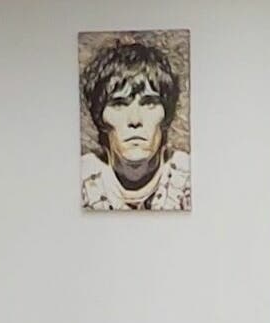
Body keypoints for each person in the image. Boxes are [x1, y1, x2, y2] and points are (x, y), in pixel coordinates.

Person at [80, 36, 192, 211]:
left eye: (149, 103)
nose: (134, 120)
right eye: (119, 104)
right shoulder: (81, 180)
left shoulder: (189, 177)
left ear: (166, 114)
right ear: (100, 117)